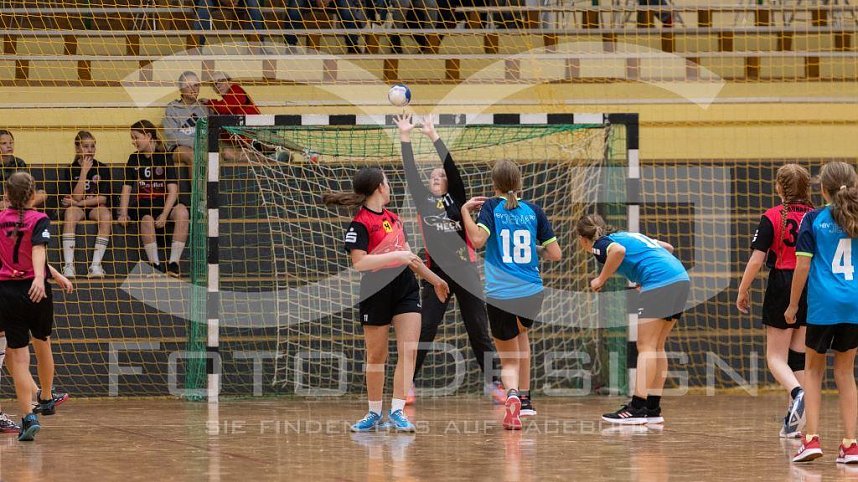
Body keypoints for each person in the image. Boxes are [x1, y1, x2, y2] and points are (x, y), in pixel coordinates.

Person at [323, 166, 449, 432]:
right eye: (388, 182)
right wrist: (398, 257)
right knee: (376, 355)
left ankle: (398, 410)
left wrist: (434, 279)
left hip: (404, 287)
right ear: (380, 187)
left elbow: (409, 258)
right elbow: (360, 263)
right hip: (376, 289)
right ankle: (373, 412)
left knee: (409, 350)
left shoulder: (393, 218)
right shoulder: (360, 223)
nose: (390, 186)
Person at [395, 114, 504, 406]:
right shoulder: (422, 199)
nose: (436, 176)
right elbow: (409, 171)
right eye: (433, 175)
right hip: (437, 274)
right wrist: (405, 136)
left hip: (465, 271)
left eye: (440, 175)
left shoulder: (456, 199)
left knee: (479, 330)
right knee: (425, 328)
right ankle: (407, 385)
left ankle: (496, 385)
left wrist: (432, 135)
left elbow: (452, 169)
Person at [460, 159, 562, 430]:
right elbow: (555, 253)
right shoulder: (534, 210)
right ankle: (525, 400)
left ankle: (513, 395)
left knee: (507, 358)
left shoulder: (491, 208)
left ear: (493, 184)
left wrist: (464, 213)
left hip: (501, 294)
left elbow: (478, 241)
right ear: (520, 182)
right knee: (522, 337)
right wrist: (533, 248)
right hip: (532, 291)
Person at [575, 214, 689, 425]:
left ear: (583, 239)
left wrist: (601, 279)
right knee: (657, 346)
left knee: (645, 346)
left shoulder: (601, 245)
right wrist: (643, 276)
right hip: (680, 278)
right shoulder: (627, 235)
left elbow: (618, 252)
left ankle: (637, 407)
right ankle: (652, 408)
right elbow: (668, 248)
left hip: (660, 282)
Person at [787, 161, 858, 464]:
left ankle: (811, 439)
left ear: (822, 188)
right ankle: (851, 445)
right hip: (854, 304)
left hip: (822, 306)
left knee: (813, 372)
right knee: (845, 373)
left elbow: (802, 266)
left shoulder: (813, 219)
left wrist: (792, 306)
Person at [737, 163, 812, 439]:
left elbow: (757, 259)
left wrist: (742, 290)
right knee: (798, 357)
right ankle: (797, 422)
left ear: (780, 187)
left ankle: (798, 393)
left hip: (783, 281)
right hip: (810, 284)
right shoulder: (816, 217)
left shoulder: (771, 216)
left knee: (775, 357)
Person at [0, 172, 74, 441]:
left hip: (6, 290)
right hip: (34, 287)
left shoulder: (0, 220)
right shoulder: (39, 219)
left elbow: (17, 253)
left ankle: (27, 416)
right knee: (43, 343)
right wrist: (43, 278)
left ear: (7, 195)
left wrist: (52, 274)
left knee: (18, 357)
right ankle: (45, 395)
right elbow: (36, 251)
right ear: (33, 195)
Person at [118, 120, 190, 277]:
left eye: (136, 137)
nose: (133, 141)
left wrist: (165, 214)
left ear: (148, 136)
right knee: (146, 221)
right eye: (132, 137)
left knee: (182, 212)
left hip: (164, 203)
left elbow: (173, 190)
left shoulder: (164, 157)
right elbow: (126, 188)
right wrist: (123, 213)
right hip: (145, 205)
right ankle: (155, 265)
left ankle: (173, 264)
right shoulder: (133, 159)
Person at [60, 131, 113, 279]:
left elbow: (102, 198)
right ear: (77, 149)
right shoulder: (70, 170)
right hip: (78, 209)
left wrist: (79, 202)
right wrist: (83, 172)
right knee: (70, 213)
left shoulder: (102, 168)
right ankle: (69, 266)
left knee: (105, 214)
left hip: (93, 206)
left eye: (92, 146)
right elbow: (75, 196)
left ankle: (95, 265)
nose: (90, 150)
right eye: (85, 146)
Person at [162, 71, 209, 189]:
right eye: (189, 85)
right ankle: (198, 199)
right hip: (177, 148)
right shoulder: (172, 108)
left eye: (197, 85)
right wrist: (195, 143)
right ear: (181, 89)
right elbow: (171, 135)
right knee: (193, 156)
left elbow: (208, 132)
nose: (194, 89)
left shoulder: (204, 109)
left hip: (200, 146)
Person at [0, 130, 47, 209]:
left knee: (43, 194)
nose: (9, 146)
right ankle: (22, 207)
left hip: (18, 198)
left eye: (11, 143)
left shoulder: (19, 162)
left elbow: (27, 185)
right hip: (2, 199)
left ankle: (22, 206)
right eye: (4, 143)